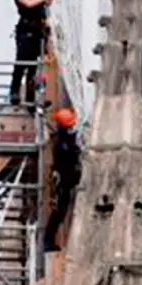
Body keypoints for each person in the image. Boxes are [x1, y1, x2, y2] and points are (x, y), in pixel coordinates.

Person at [10, 0, 57, 107]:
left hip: (38, 32)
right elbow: (28, 3)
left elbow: (44, 12)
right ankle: (15, 93)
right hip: (26, 32)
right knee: (22, 62)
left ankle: (31, 99)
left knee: (34, 68)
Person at [44, 108, 82, 252]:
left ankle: (48, 240)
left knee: (60, 211)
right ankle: (48, 241)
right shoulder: (63, 143)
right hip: (64, 180)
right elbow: (68, 160)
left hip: (66, 179)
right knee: (59, 212)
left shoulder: (62, 139)